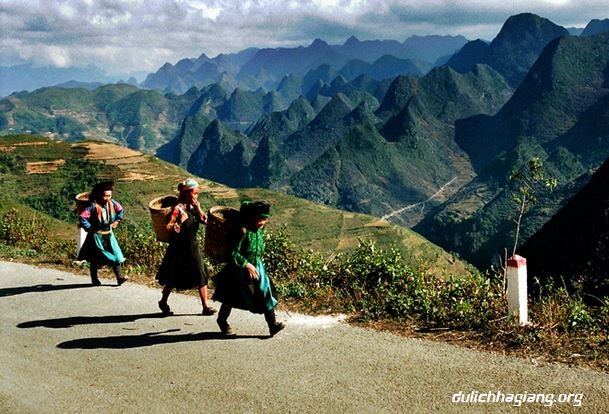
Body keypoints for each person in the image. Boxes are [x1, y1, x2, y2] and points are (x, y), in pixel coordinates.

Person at [212, 200, 285, 337]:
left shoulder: (258, 232)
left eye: (265, 219)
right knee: (231, 296)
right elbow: (232, 252)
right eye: (260, 218)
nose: (263, 222)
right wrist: (246, 264)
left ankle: (272, 325)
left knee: (265, 291)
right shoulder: (242, 232)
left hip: (257, 266)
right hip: (239, 268)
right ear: (252, 217)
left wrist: (256, 264)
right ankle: (222, 320)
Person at [156, 178, 216, 316]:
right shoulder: (178, 209)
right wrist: (179, 222)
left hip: (193, 246)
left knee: (201, 273)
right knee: (173, 276)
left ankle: (205, 306)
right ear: (187, 193)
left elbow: (206, 222)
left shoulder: (193, 208)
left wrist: (199, 209)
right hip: (179, 248)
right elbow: (168, 227)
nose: (196, 196)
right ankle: (163, 301)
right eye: (195, 193)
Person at [78, 180, 127, 286]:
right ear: (100, 195)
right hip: (96, 236)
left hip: (109, 234)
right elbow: (83, 217)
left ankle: (119, 277)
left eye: (109, 196)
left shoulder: (113, 203)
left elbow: (120, 210)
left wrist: (117, 221)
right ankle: (94, 279)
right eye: (105, 196)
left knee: (116, 255)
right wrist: (89, 228)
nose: (107, 198)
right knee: (95, 258)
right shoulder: (93, 206)